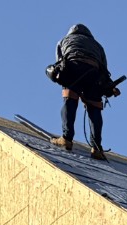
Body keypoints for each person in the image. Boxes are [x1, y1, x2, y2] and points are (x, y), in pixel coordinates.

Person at [49, 25, 119, 161]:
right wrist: (108, 88)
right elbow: (104, 69)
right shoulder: (97, 46)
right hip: (94, 72)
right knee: (94, 106)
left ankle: (66, 139)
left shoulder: (64, 40)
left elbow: (59, 64)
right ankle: (97, 148)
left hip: (73, 66)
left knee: (70, 97)